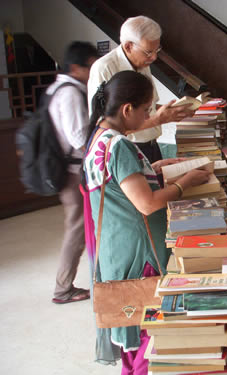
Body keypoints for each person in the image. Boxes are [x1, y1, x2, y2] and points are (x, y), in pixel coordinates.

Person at [82, 70, 210, 374]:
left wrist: (155, 167)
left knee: (131, 326)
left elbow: (120, 185)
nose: (150, 116)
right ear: (128, 109)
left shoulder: (100, 138)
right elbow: (146, 203)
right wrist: (186, 183)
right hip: (139, 254)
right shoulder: (120, 145)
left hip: (118, 248)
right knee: (148, 338)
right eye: (147, 109)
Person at [87, 15, 193, 162]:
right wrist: (158, 119)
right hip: (127, 150)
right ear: (128, 46)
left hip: (151, 146)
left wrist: (174, 111)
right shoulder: (105, 68)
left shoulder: (142, 64)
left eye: (157, 50)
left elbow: (144, 107)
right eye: (149, 52)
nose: (154, 57)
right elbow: (105, 126)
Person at [49, 41, 99, 304]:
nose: (94, 70)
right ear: (77, 67)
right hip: (72, 171)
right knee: (77, 229)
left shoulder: (63, 88)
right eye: (91, 65)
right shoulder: (69, 93)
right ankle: (62, 289)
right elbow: (78, 136)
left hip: (71, 168)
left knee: (79, 227)